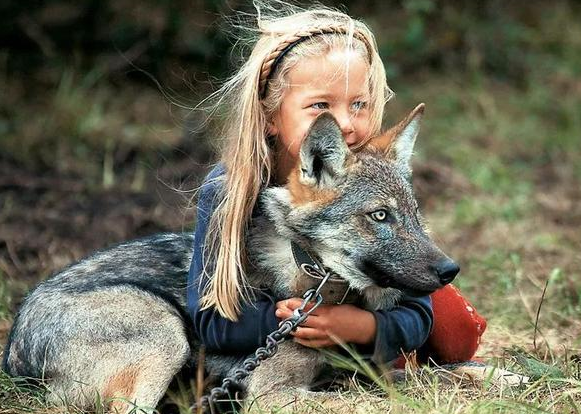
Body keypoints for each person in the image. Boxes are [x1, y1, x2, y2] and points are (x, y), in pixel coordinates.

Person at [187, 3, 485, 368]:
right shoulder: (226, 189)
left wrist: (363, 328)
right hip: (287, 322)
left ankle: (385, 357)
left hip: (370, 291)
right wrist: (303, 320)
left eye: (358, 103)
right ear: (269, 116)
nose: (345, 122)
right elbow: (209, 321)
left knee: (455, 328)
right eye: (320, 105)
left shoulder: (378, 169)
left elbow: (416, 311)